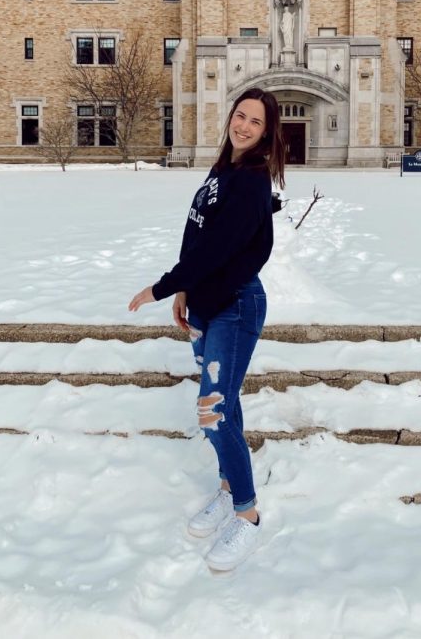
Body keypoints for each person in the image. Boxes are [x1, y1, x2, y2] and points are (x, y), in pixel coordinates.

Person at [128, 87, 285, 571]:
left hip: (236, 306)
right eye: (240, 116)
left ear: (266, 133)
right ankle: (228, 486)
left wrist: (160, 287)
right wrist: (185, 291)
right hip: (207, 302)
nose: (243, 127)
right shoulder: (225, 170)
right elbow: (196, 234)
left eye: (255, 123)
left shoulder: (252, 181)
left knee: (213, 412)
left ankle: (248, 513)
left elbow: (219, 250)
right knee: (226, 406)